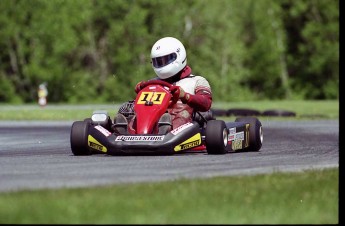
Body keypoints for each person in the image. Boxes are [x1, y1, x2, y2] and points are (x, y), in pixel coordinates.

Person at [114, 37, 213, 134]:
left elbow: (206, 103)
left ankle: (165, 129)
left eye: (166, 60)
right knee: (133, 116)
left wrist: (185, 96)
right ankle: (126, 131)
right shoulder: (152, 83)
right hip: (151, 119)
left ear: (179, 56)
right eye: (159, 61)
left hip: (181, 121)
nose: (162, 64)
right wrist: (140, 92)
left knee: (181, 116)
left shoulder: (196, 81)